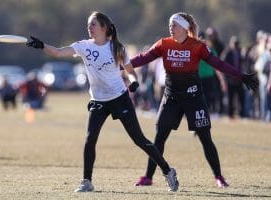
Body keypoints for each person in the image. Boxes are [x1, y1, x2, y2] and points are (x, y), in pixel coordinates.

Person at [26, 11, 179, 192]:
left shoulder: (117, 48)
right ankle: (87, 181)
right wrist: (42, 45)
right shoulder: (83, 46)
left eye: (93, 24)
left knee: (139, 140)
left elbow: (129, 70)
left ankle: (168, 171)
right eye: (88, 25)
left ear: (104, 27)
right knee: (90, 139)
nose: (89, 28)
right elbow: (58, 53)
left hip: (120, 99)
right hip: (98, 100)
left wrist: (133, 81)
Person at [128, 12, 258, 188]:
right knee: (159, 138)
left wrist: (240, 76)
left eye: (174, 25)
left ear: (184, 28)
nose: (171, 28)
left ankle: (219, 177)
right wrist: (122, 64)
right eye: (170, 25)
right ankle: (148, 177)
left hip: (194, 98)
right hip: (171, 98)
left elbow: (218, 64)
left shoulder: (198, 46)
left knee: (205, 138)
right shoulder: (164, 44)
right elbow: (143, 57)